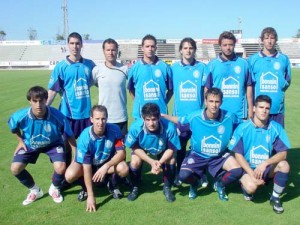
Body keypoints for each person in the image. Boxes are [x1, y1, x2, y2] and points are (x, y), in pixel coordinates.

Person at [162, 88, 243, 201]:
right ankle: (195, 184)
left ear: (221, 102)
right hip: (197, 155)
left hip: (219, 156)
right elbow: (179, 120)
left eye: (217, 101)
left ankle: (220, 184)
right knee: (183, 176)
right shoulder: (195, 117)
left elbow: (244, 127)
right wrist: (163, 116)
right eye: (211, 101)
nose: (214, 105)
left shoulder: (230, 117)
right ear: (205, 101)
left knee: (237, 170)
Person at [8, 86, 76, 205]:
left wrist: (75, 155)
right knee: (15, 168)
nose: (38, 104)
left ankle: (54, 188)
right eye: (35, 101)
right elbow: (13, 127)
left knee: (61, 167)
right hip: (30, 144)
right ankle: (35, 190)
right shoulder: (21, 116)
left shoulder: (58, 116)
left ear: (46, 99)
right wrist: (20, 141)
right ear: (30, 101)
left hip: (53, 144)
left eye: (41, 100)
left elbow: (69, 135)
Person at [229, 95, 290, 214]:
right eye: (261, 107)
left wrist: (265, 163)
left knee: (284, 165)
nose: (264, 110)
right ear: (254, 109)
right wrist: (252, 174)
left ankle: (275, 197)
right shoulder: (243, 127)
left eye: (267, 108)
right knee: (251, 188)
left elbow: (283, 154)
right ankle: (245, 186)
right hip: (247, 169)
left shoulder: (276, 128)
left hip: (265, 169)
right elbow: (238, 155)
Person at [65, 105, 129, 212]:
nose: (100, 122)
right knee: (69, 175)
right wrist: (91, 196)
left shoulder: (115, 130)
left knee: (124, 168)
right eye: (97, 119)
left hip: (106, 165)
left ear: (107, 118)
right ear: (91, 119)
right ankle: (85, 189)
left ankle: (112, 183)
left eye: (103, 118)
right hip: (90, 165)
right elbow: (86, 167)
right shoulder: (85, 137)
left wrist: (106, 166)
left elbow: (122, 153)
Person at [47, 32, 96, 165]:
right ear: (68, 45)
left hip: (87, 114)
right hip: (68, 114)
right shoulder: (61, 67)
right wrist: (45, 109)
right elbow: (52, 90)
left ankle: (91, 174)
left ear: (82, 45)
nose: (75, 46)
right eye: (72, 43)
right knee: (66, 145)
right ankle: (65, 176)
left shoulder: (90, 65)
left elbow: (98, 81)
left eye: (77, 43)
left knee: (89, 144)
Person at [170, 37, 208, 186]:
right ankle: (179, 174)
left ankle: (201, 175)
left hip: (197, 117)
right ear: (180, 50)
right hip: (180, 117)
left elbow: (206, 91)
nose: (188, 50)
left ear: (195, 50)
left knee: (199, 148)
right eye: (185, 48)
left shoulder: (202, 68)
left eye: (191, 48)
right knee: (180, 148)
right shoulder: (173, 68)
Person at [125, 103, 180, 202]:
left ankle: (167, 187)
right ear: (143, 118)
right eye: (148, 120)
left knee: (172, 159)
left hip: (163, 148)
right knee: (134, 161)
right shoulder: (135, 127)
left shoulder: (170, 127)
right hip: (142, 147)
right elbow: (134, 147)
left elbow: (171, 148)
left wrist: (159, 163)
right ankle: (135, 187)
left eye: (154, 119)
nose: (151, 123)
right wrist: (151, 161)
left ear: (159, 117)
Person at [248, 27, 291, 127]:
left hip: (277, 110)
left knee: (277, 141)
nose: (269, 41)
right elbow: (249, 84)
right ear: (262, 40)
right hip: (258, 110)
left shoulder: (283, 59)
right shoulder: (253, 59)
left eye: (272, 38)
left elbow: (287, 82)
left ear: (276, 40)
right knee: (258, 141)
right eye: (267, 38)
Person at [205, 31, 253, 120]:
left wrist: (250, 109)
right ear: (220, 45)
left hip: (239, 114)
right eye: (225, 45)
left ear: (234, 45)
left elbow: (249, 87)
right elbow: (207, 88)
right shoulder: (212, 64)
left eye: (230, 45)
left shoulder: (244, 64)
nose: (228, 48)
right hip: (218, 113)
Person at [127, 34, 173, 119]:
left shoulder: (164, 67)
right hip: (140, 115)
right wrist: (138, 102)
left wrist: (163, 101)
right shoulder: (135, 68)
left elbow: (171, 89)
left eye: (152, 46)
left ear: (156, 48)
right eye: (147, 46)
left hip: (160, 114)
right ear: (142, 48)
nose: (150, 49)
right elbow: (131, 89)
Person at [92, 38, 128, 136]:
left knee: (121, 149)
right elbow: (95, 83)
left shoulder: (124, 69)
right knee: (104, 149)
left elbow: (132, 87)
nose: (110, 52)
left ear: (117, 51)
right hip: (103, 118)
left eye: (113, 50)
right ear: (103, 51)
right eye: (108, 50)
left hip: (121, 117)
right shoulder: (97, 70)